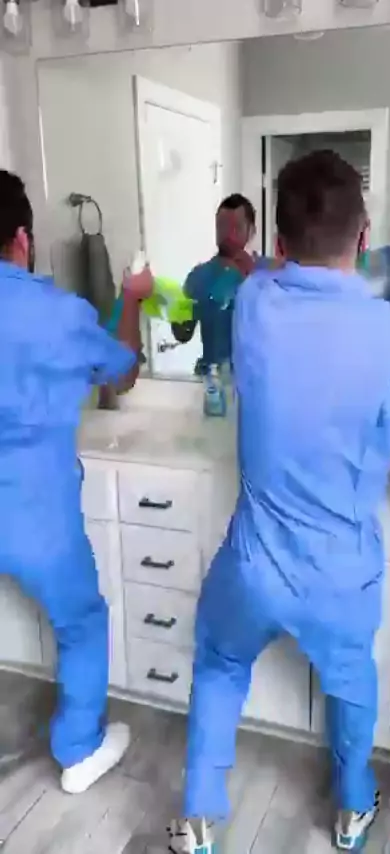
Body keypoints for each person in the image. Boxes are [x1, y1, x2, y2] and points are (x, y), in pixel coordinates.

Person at [168, 151, 390, 853]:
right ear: (365, 236)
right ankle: (354, 808)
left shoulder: (253, 303)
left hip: (252, 565)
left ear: (277, 240)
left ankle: (198, 818)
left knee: (219, 663)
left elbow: (269, 273)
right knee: (350, 684)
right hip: (339, 572)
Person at [0, 170, 143, 794]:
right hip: (34, 510)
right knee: (82, 621)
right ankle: (79, 748)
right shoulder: (59, 314)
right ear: (22, 239)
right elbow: (124, 372)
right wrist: (132, 297)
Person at [171, 193, 279, 374]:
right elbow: (182, 334)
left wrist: (252, 277)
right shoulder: (199, 276)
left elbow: (284, 330)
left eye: (237, 228)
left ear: (252, 231)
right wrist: (172, 304)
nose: (228, 235)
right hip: (212, 381)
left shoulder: (270, 272)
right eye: (222, 226)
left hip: (258, 380)